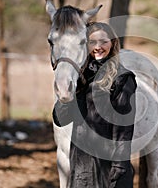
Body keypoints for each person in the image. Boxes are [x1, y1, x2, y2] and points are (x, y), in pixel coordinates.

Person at [53, 22, 137, 188]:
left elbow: (124, 127)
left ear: (112, 43)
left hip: (110, 164)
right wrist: (65, 99)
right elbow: (60, 120)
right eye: (92, 42)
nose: (98, 47)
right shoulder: (79, 79)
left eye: (104, 41)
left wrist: (119, 165)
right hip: (81, 166)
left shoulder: (123, 78)